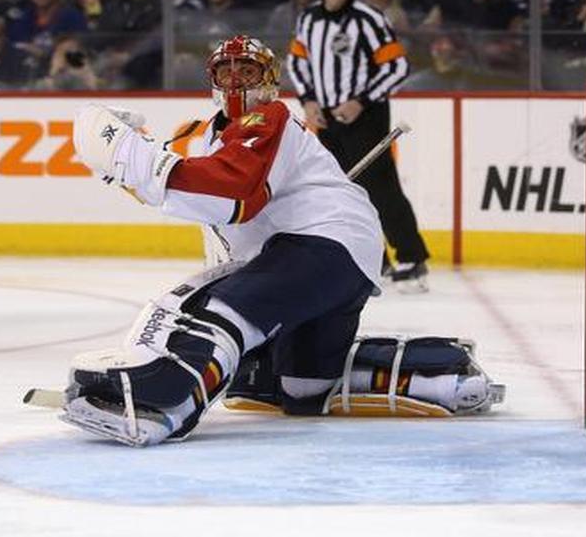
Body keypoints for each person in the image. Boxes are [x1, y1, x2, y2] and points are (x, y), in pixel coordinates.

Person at [61, 34, 503, 446]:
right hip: (339, 259)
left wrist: (130, 157)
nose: (235, 80)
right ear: (212, 81)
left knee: (217, 313)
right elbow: (198, 197)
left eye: (247, 72)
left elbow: (233, 193)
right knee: (297, 386)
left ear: (269, 80)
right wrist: (126, 171)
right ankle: (438, 374)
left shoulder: (268, 117)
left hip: (322, 244)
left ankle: (164, 402)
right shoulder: (208, 139)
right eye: (225, 71)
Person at [287, 0, 430, 292]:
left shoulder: (368, 19)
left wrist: (361, 102)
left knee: (380, 186)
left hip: (366, 116)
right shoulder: (308, 19)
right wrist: (307, 100)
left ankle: (412, 259)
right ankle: (372, 258)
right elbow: (297, 62)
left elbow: (397, 67)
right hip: (325, 118)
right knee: (341, 191)